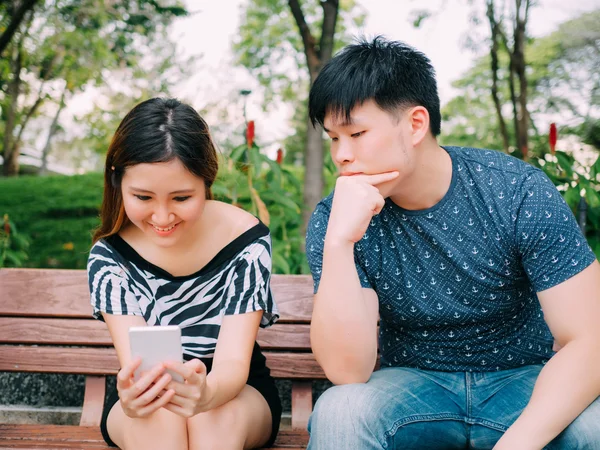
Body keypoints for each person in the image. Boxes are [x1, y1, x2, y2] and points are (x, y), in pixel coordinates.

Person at [305, 37, 600, 449]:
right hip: (411, 387)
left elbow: (590, 339)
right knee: (341, 411)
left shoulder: (515, 190)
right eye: (335, 138)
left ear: (415, 124)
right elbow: (347, 370)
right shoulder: (337, 218)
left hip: (523, 380)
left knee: (594, 427)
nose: (341, 155)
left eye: (356, 133)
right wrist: (339, 243)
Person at [87, 97, 281, 450]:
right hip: (148, 394)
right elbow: (140, 366)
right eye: (143, 197)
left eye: (181, 198)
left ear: (206, 182)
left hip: (235, 390)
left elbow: (233, 363)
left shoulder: (246, 241)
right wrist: (135, 399)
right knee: (161, 422)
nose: (162, 218)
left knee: (211, 424)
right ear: (117, 182)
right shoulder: (110, 257)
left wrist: (206, 394)